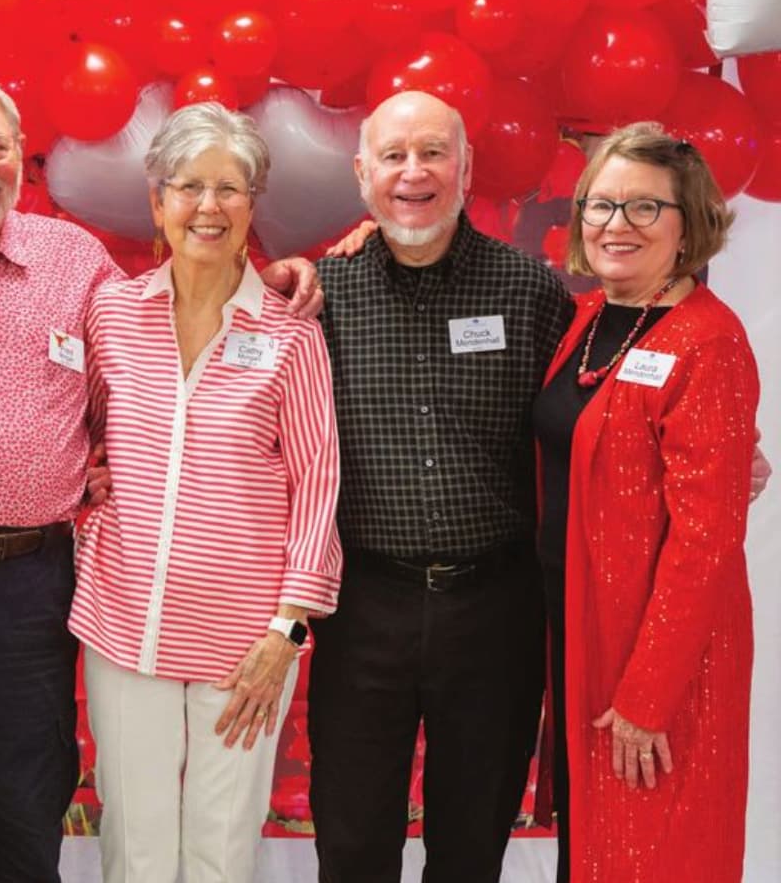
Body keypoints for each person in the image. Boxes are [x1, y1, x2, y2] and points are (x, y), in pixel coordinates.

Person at [0, 72, 321, 883]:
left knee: (22, 808)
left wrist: (279, 274)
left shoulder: (74, 263)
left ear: (23, 158)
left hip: (29, 584)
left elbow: (168, 342)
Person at [69, 102, 343, 883]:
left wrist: (286, 636)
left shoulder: (291, 333)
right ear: (158, 202)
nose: (209, 207)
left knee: (222, 850)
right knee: (137, 845)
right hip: (125, 625)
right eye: (189, 186)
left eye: (230, 188)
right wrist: (85, 484)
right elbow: (78, 427)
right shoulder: (111, 312)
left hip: (250, 643)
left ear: (253, 205)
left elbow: (319, 483)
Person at [306, 90, 574, 883]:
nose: (412, 172)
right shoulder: (319, 296)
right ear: (362, 175)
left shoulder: (532, 293)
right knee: (352, 840)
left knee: (472, 841)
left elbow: (593, 417)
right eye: (393, 156)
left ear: (466, 171)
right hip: (361, 607)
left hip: (496, 609)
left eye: (433, 153)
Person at [532, 123, 757, 883]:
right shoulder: (594, 317)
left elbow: (706, 540)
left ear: (687, 222)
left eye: (643, 209)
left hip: (655, 668)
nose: (614, 225)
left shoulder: (706, 341)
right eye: (600, 205)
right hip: (584, 645)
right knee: (592, 855)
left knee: (654, 857)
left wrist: (648, 695)